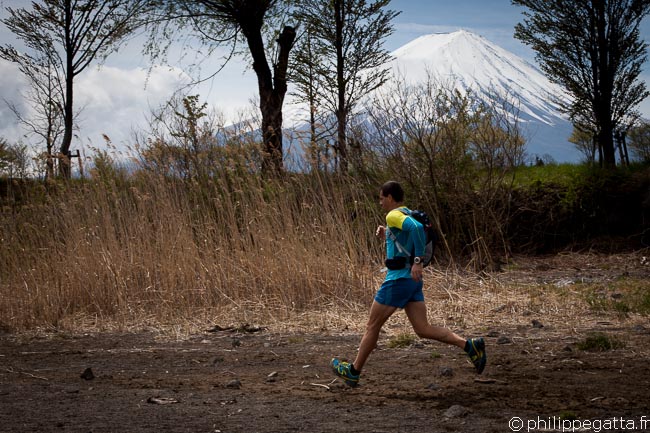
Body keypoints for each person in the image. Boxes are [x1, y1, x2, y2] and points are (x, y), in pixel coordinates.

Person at [331, 180, 486, 387]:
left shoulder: (393, 215)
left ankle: (353, 371)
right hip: (412, 282)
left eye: (381, 198)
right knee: (423, 329)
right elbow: (407, 235)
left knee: (372, 326)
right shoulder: (405, 213)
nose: (380, 203)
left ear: (390, 197)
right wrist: (387, 233)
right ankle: (469, 346)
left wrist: (418, 261)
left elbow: (417, 229)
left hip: (398, 280)